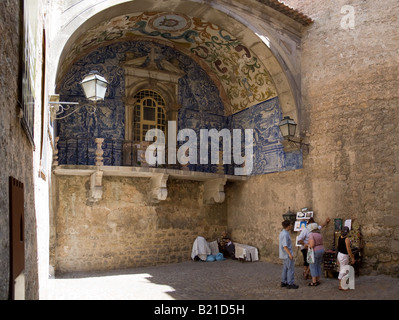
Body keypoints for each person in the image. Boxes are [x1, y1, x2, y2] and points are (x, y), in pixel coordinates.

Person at [279, 220, 299, 289]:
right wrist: (290, 254)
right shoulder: (285, 234)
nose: (291, 226)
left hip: (284, 254)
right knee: (290, 269)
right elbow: (285, 246)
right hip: (286, 254)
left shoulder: (282, 233)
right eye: (290, 225)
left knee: (285, 268)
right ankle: (290, 283)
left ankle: (284, 281)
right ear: (288, 226)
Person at [337, 226, 355, 290]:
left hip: (340, 254)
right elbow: (348, 250)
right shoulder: (346, 239)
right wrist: (352, 257)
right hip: (344, 255)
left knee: (343, 269)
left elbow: (338, 247)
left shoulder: (339, 238)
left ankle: (342, 284)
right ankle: (341, 285)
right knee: (343, 270)